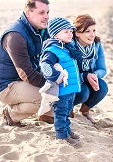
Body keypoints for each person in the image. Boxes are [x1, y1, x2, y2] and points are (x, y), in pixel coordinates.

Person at [0, 0, 54, 127]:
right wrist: (51, 84)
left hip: (23, 81)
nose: (46, 16)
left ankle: (44, 113)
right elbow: (27, 74)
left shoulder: (42, 30)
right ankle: (11, 114)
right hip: (6, 85)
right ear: (28, 13)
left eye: (47, 12)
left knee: (56, 95)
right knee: (46, 97)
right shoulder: (16, 36)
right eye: (41, 12)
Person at [40, 17, 81, 146]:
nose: (70, 33)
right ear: (56, 34)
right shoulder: (53, 50)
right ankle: (61, 136)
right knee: (61, 113)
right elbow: (45, 65)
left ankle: (67, 131)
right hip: (62, 90)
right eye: (66, 31)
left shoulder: (67, 48)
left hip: (70, 89)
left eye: (71, 31)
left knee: (67, 112)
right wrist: (58, 76)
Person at [70, 14, 108, 124]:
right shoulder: (70, 46)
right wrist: (85, 76)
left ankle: (85, 111)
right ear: (77, 33)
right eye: (87, 31)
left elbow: (102, 69)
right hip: (72, 81)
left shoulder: (96, 44)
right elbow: (68, 73)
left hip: (89, 77)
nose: (92, 35)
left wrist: (94, 75)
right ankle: (69, 108)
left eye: (94, 30)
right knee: (83, 92)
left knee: (102, 87)